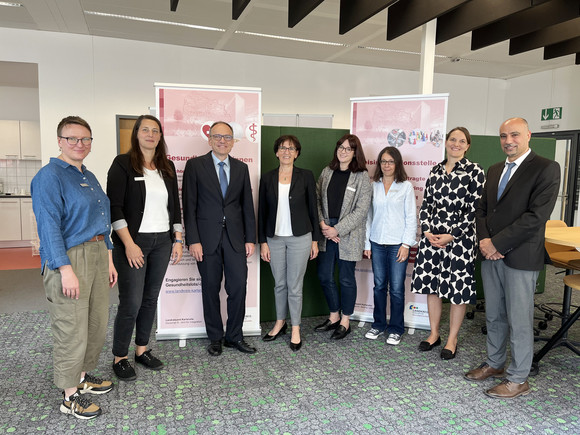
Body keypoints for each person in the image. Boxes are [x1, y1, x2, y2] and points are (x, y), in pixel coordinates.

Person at [465, 117, 560, 398]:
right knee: (494, 315)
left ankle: (518, 378)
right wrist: (485, 242)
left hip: (519, 256)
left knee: (519, 319)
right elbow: (481, 210)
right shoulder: (495, 170)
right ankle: (495, 363)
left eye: (515, 135)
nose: (509, 141)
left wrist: (497, 244)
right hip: (490, 255)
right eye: (504, 136)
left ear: (528, 135)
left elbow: (535, 217)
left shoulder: (546, 168)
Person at [31, 116, 118, 420]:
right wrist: (64, 269)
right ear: (59, 141)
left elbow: (101, 223)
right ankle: (69, 396)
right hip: (69, 257)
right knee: (71, 326)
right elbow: (49, 227)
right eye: (72, 139)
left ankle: (82, 377)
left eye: (85, 139)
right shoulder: (49, 176)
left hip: (96, 254)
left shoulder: (88, 175)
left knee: (95, 322)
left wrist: (108, 257)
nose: (79, 144)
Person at [107, 115, 183, 381]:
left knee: (150, 299)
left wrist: (178, 238)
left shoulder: (167, 167)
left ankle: (142, 350)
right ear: (136, 133)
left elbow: (174, 206)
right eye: (145, 130)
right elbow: (114, 207)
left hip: (162, 241)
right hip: (133, 243)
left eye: (156, 130)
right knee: (131, 301)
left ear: (160, 136)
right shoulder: (123, 164)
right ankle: (120, 356)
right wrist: (128, 244)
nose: (150, 134)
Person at [182, 121, 257, 356]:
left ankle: (234, 336)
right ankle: (215, 337)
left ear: (234, 141)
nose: (222, 141)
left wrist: (250, 239)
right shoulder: (195, 166)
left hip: (235, 238)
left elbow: (247, 206)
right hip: (206, 240)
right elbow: (189, 205)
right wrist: (193, 240)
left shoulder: (241, 168)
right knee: (210, 288)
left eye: (227, 137)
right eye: (218, 136)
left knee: (238, 288)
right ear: (210, 139)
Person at [411, 127, 485, 359]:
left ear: (468, 146)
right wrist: (427, 230)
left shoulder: (475, 172)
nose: (456, 144)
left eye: (461, 141)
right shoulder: (435, 171)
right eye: (453, 139)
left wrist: (452, 235)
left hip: (460, 241)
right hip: (432, 239)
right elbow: (426, 205)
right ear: (446, 142)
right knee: (432, 287)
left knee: (458, 291)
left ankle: (452, 339)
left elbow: (474, 210)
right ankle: (434, 334)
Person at [258, 135, 320, 351]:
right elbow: (262, 212)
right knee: (279, 284)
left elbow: (314, 208)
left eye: (291, 148)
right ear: (276, 152)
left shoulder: (306, 176)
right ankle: (279, 322)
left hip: (300, 238)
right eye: (282, 148)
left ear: (297, 153)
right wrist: (263, 242)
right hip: (274, 239)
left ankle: (295, 327)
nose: (286, 151)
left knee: (294, 285)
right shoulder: (266, 178)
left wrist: (315, 240)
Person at [315, 134, 371, 339]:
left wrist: (337, 229)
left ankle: (345, 321)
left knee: (346, 279)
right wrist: (323, 224)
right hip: (325, 231)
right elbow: (317, 199)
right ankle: (334, 316)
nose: (343, 151)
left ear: (356, 152)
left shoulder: (362, 176)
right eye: (340, 147)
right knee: (324, 276)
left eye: (348, 148)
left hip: (348, 233)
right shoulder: (327, 171)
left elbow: (361, 210)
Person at [363, 147, 417, 345]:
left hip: (397, 244)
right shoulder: (373, 185)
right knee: (379, 286)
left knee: (395, 288)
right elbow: (368, 216)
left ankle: (395, 328)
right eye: (383, 161)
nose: (386, 165)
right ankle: (378, 325)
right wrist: (367, 242)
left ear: (397, 164)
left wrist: (406, 244)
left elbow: (411, 217)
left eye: (390, 161)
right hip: (377, 242)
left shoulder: (405, 187)